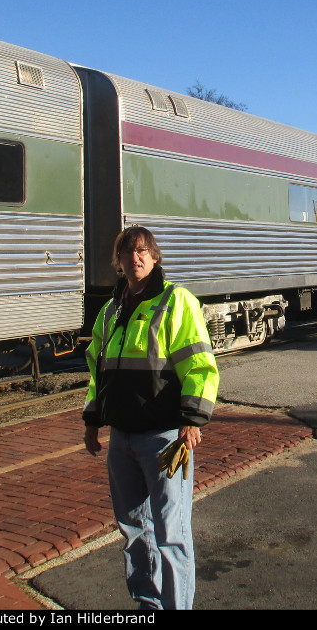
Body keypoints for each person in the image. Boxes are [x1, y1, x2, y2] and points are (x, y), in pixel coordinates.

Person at [83, 226, 219, 610]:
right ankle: (148, 604)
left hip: (164, 440)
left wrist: (192, 419)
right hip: (122, 441)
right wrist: (93, 420)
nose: (135, 258)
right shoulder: (111, 311)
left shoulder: (176, 302)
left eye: (143, 251)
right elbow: (99, 373)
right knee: (134, 533)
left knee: (171, 535)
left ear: (155, 257)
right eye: (128, 252)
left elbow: (199, 366)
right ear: (120, 261)